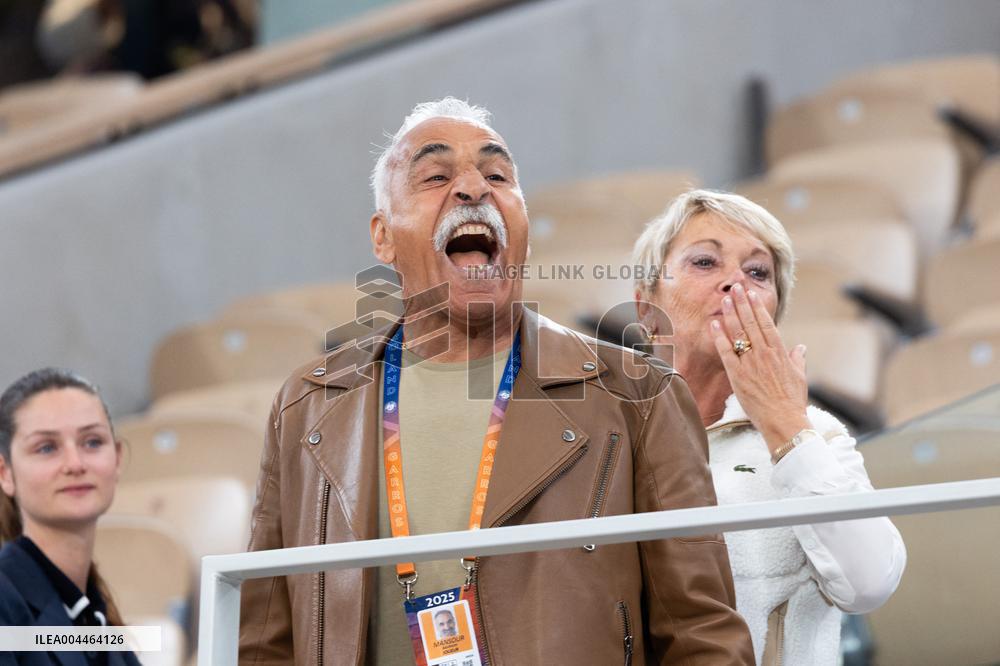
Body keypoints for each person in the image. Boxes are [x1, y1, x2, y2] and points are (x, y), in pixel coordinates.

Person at [239, 99, 754, 665]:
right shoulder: (308, 406)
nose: (473, 189)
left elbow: (702, 632)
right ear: (383, 238)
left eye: (497, 175)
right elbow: (265, 641)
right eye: (436, 176)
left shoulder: (636, 394)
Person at [632, 189, 906, 666]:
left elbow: (870, 583)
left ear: (772, 315)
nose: (735, 284)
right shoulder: (605, 436)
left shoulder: (817, 434)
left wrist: (785, 427)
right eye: (705, 263)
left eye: (758, 272)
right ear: (645, 309)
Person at [0, 368, 141, 666]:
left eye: (92, 442)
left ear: (117, 458)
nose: (75, 464)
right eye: (47, 447)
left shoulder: (97, 617)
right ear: (5, 473)